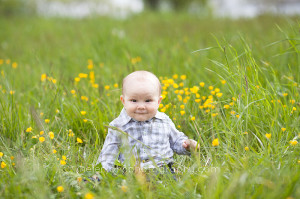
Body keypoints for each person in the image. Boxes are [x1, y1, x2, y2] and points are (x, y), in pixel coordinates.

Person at [96, 70, 199, 173]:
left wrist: (187, 145)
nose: (141, 106)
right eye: (134, 100)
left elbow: (176, 141)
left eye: (148, 101)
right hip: (131, 172)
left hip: (163, 169)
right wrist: (100, 174)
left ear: (158, 101)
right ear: (123, 101)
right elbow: (108, 155)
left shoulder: (164, 121)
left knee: (167, 185)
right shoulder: (118, 126)